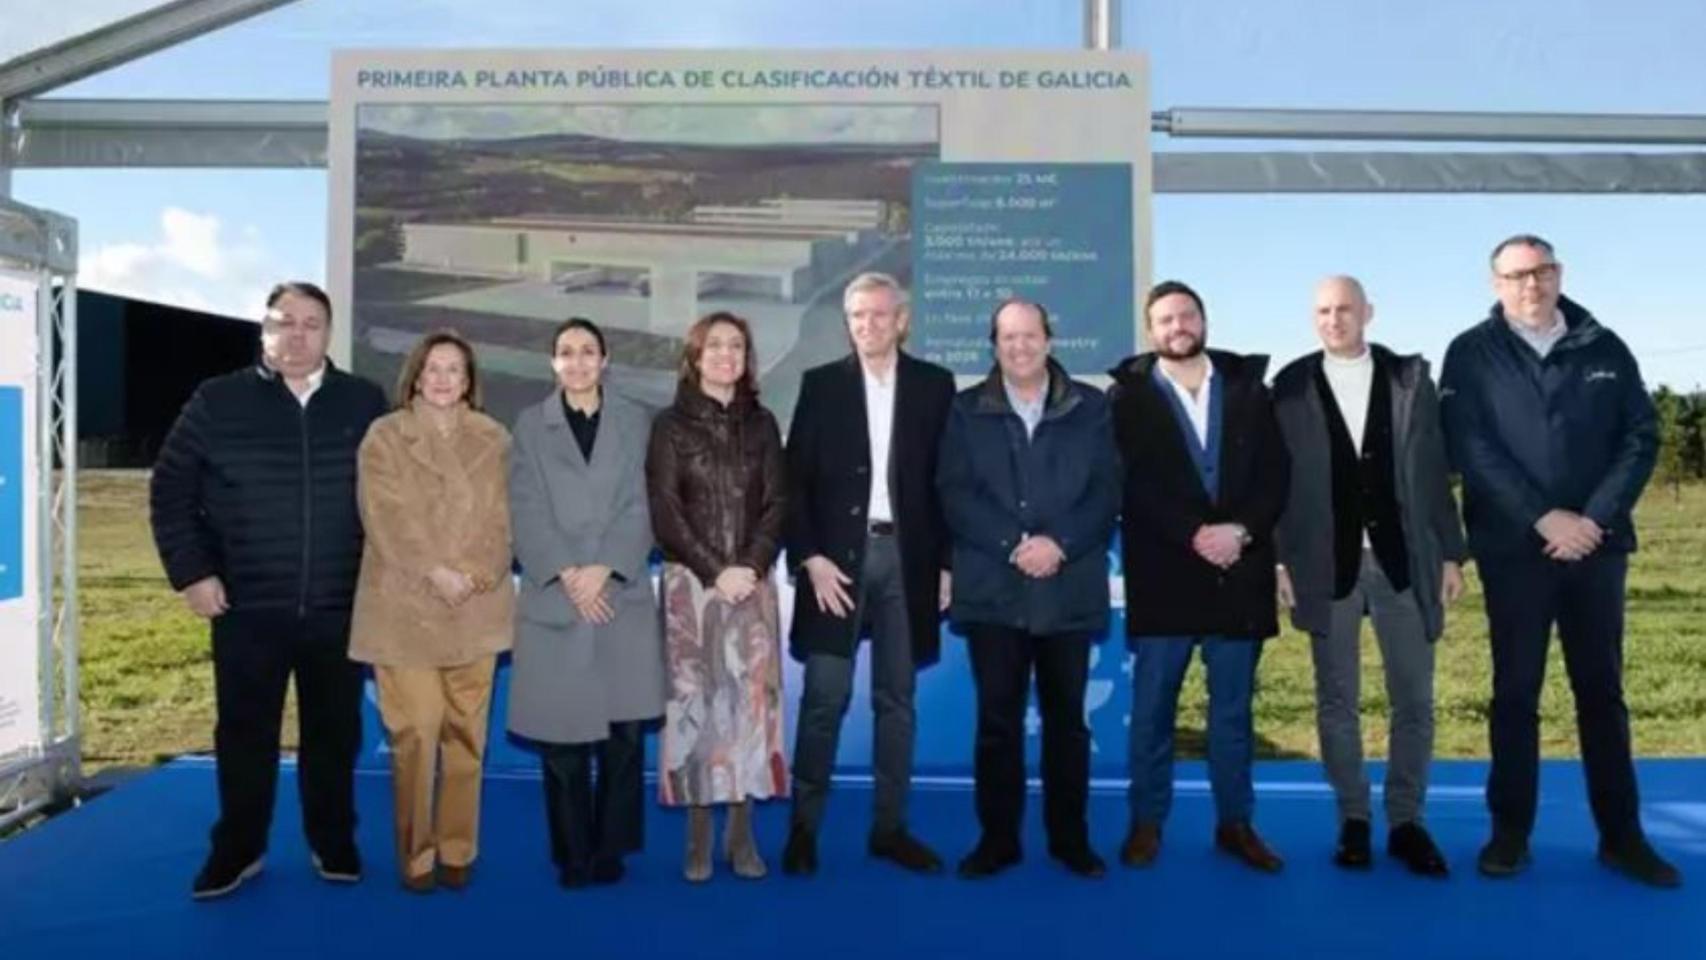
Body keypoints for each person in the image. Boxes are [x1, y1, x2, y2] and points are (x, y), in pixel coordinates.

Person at [1440, 234, 1680, 888]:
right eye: (1517, 275)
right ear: (1496, 284)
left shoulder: (1604, 346)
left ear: (1559, 273)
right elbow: (1470, 446)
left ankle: (1622, 838)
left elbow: (1640, 436)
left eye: (1541, 271)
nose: (1531, 284)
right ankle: (1510, 834)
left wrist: (1593, 520)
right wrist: (1542, 517)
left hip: (1596, 551)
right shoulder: (1470, 353)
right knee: (1515, 694)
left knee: (1602, 693)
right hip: (1514, 551)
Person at [149, 281, 387, 899]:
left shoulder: (364, 402)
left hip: (339, 609)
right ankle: (238, 850)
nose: (297, 335)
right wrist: (193, 573)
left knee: (334, 736)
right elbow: (170, 489)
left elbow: (393, 500)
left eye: (311, 324)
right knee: (244, 736)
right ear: (264, 329)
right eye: (285, 322)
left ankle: (333, 841)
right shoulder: (217, 400)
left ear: (328, 333)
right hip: (245, 608)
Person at [1271, 277, 1466, 876]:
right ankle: (1353, 818)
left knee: (1414, 699)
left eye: (1345, 309)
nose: (1334, 320)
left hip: (1403, 563)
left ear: (1368, 313)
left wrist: (1451, 553)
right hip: (1325, 567)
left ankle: (1407, 822)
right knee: (1337, 701)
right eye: (1323, 311)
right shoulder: (1290, 386)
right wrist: (1279, 561)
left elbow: (1433, 471)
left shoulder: (1410, 379)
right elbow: (1276, 483)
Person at [1108, 280, 1290, 874]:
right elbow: (1130, 484)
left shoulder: (1250, 390)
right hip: (1165, 576)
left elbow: (1275, 475)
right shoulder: (1126, 399)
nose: (1177, 326)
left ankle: (1236, 824)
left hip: (1239, 572)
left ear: (1204, 321)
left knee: (1232, 714)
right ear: (1151, 331)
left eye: (1186, 315)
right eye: (1165, 319)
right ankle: (1146, 822)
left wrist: (1240, 531)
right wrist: (1194, 534)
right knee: (1152, 713)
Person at [936, 298, 1120, 880]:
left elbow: (1108, 490)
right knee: (998, 725)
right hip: (994, 590)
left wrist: (1058, 543)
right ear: (994, 345)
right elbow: (954, 491)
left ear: (1049, 339)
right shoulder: (965, 409)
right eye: (1008, 337)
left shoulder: (1092, 406)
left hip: (1068, 587)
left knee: (1068, 725)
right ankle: (998, 840)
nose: (1019, 346)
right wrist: (1013, 544)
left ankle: (1070, 840)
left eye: (1029, 335)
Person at [780, 272, 956, 877]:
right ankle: (803, 831)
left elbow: (949, 482)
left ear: (901, 321)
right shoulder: (821, 384)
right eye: (857, 315)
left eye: (879, 314)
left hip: (909, 562)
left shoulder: (935, 385)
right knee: (823, 701)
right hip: (835, 567)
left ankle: (889, 830)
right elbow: (794, 482)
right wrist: (810, 557)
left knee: (896, 702)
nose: (867, 325)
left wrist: (947, 564)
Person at [348, 330, 514, 893]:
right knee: (416, 735)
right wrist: (435, 571)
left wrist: (475, 573)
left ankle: (458, 848)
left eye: (454, 370)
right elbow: (385, 516)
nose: (443, 379)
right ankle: (417, 855)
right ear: (416, 376)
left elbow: (506, 518)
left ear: (469, 382)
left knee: (467, 739)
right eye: (434, 368)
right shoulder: (385, 436)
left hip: (476, 606)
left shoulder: (495, 438)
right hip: (405, 608)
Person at [508, 317, 666, 889]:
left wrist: (607, 568)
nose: (577, 362)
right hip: (559, 594)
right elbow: (523, 505)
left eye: (587, 351)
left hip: (621, 592)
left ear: (605, 360)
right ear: (553, 363)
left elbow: (646, 501)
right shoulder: (530, 425)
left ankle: (610, 850)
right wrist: (569, 574)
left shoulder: (636, 421)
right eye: (566, 352)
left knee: (624, 737)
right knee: (562, 738)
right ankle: (572, 853)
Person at [647, 311, 788, 882]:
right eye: (715, 346)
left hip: (753, 584)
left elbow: (778, 503)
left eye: (736, 346)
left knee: (752, 711)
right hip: (693, 587)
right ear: (695, 358)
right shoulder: (669, 426)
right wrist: (715, 571)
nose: (726, 355)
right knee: (697, 713)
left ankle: (742, 836)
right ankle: (698, 838)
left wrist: (749, 567)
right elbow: (666, 513)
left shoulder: (764, 424)